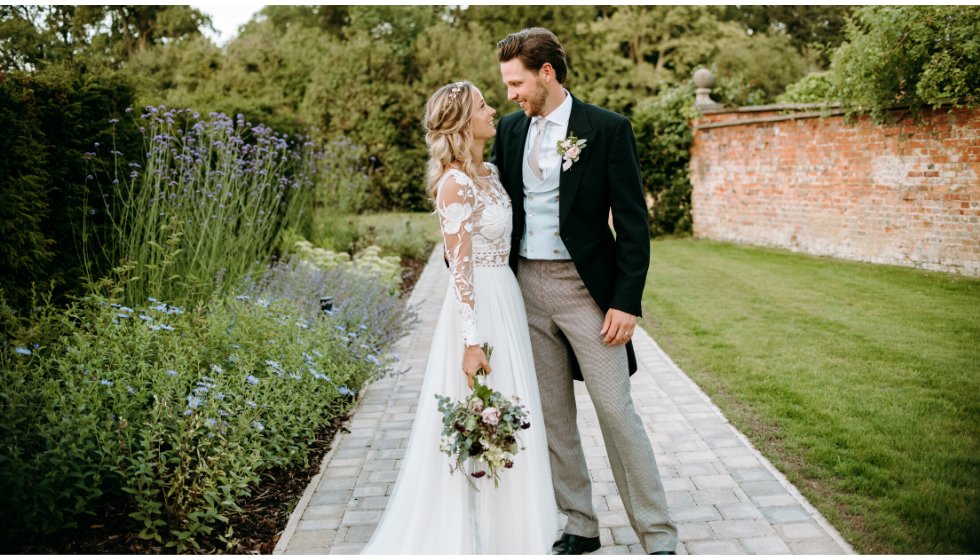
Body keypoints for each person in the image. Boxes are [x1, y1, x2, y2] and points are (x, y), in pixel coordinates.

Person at [491, 28, 678, 555]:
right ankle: (580, 523)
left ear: (546, 73)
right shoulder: (509, 131)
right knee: (552, 415)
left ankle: (658, 533)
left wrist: (626, 301)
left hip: (587, 293)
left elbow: (634, 225)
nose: (510, 94)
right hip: (525, 286)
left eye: (516, 82)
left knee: (616, 411)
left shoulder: (607, 128)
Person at [360, 81, 559, 554]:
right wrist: (472, 341)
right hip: (478, 310)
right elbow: (460, 270)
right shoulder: (454, 184)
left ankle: (516, 531)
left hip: (506, 298)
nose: (494, 110)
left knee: (513, 410)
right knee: (481, 415)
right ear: (462, 123)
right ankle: (474, 535)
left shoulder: (488, 172)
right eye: (483, 106)